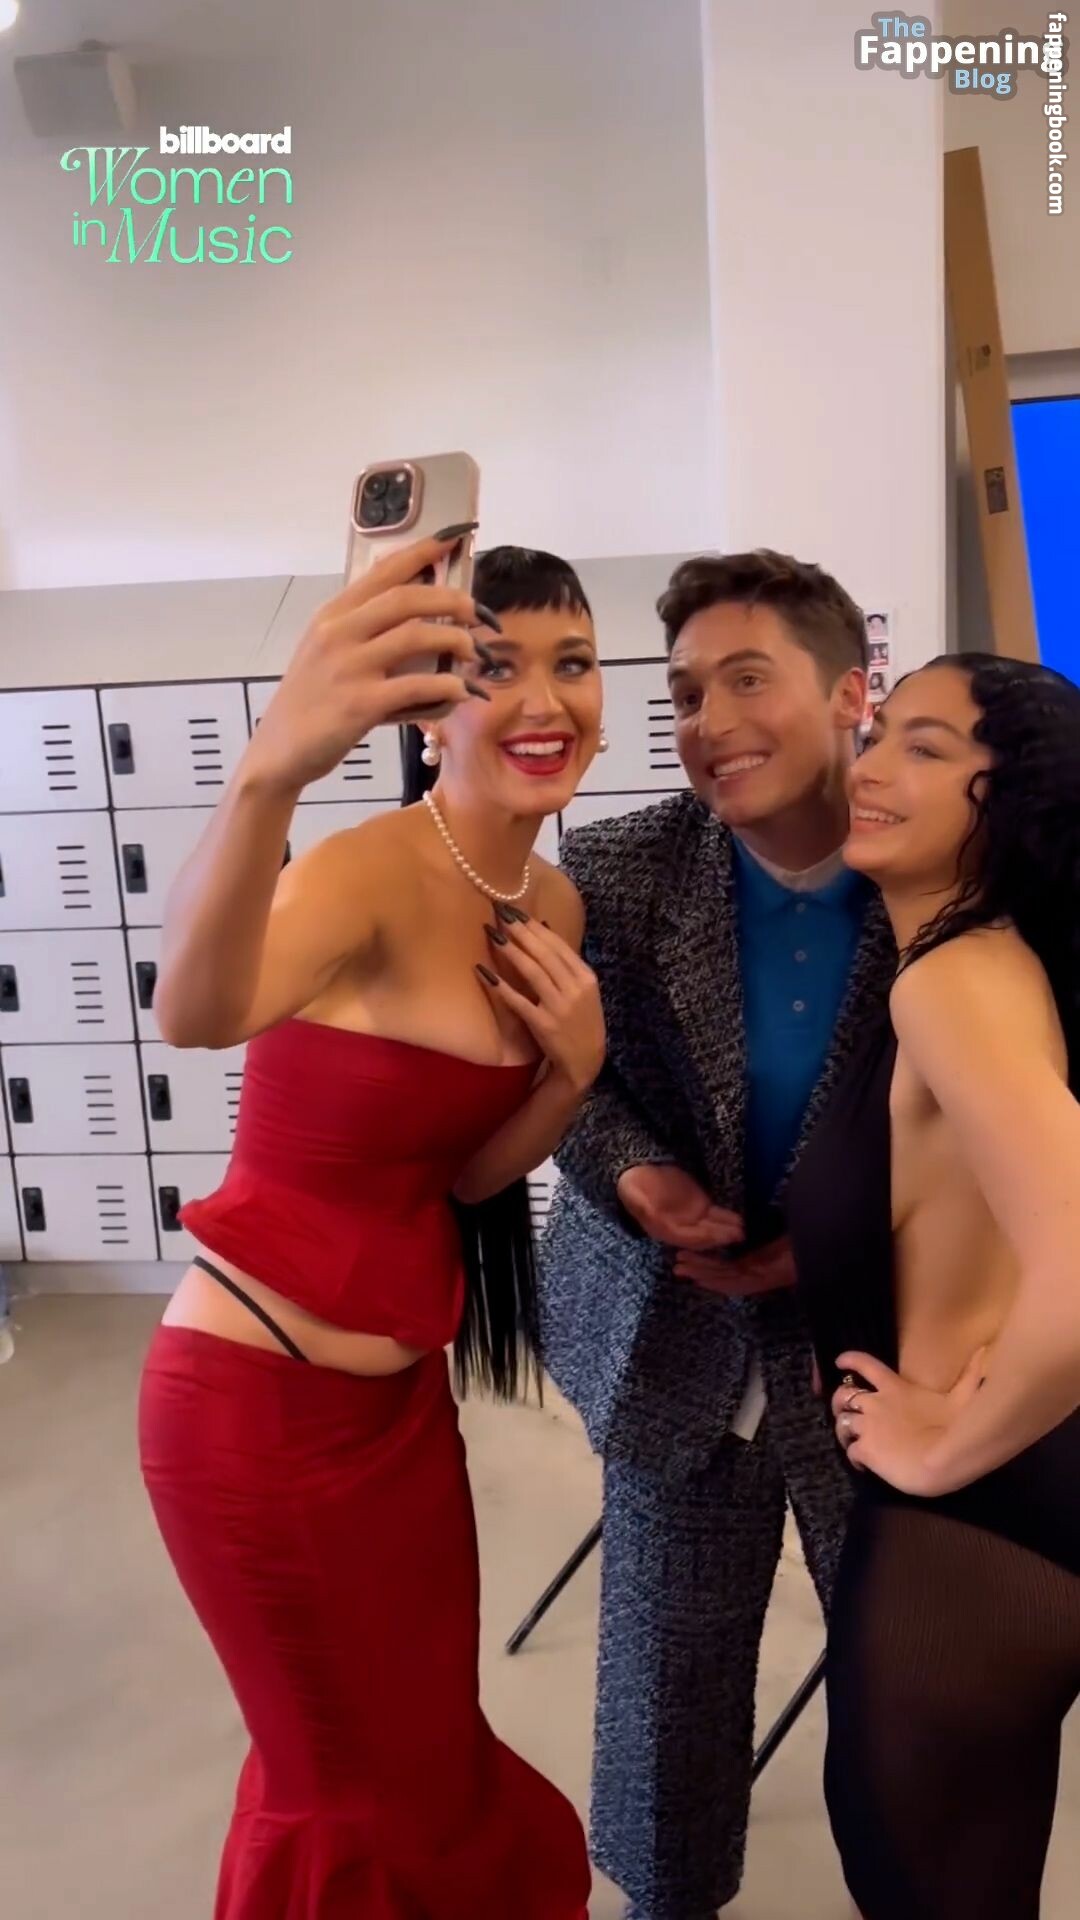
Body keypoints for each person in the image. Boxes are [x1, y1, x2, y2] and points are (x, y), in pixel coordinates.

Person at [138, 535, 606, 1919]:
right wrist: (270, 772)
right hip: (253, 1420)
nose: (546, 702)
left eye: (575, 663)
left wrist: (573, 1076)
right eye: (496, 669)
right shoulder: (362, 873)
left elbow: (463, 1183)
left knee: (434, 1762)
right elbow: (195, 1012)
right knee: (353, 1795)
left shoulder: (551, 902)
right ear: (427, 708)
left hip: (397, 1419)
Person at [540, 549, 896, 1919]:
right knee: (667, 1698)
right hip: (672, 1332)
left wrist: (839, 1240)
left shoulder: (937, 874)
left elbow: (1005, 1128)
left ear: (851, 691)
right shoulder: (620, 870)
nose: (710, 721)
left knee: (904, 1683)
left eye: (750, 680)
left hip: (876, 1350)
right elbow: (562, 1080)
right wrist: (635, 1177)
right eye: (687, 693)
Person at [788, 652, 1080, 1920]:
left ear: (1010, 797)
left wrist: (946, 1447)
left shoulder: (954, 983)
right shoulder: (984, 963)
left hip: (972, 1536)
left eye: (926, 746)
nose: (872, 767)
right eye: (879, 735)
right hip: (1010, 1526)